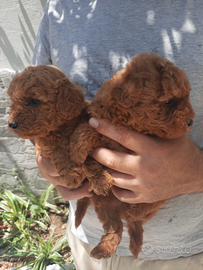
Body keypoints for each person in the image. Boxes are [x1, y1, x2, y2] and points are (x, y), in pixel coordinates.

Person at [32, 1, 203, 269]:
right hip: (88, 242)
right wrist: (44, 153)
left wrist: (195, 172)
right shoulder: (62, 7)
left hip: (190, 252)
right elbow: (38, 98)